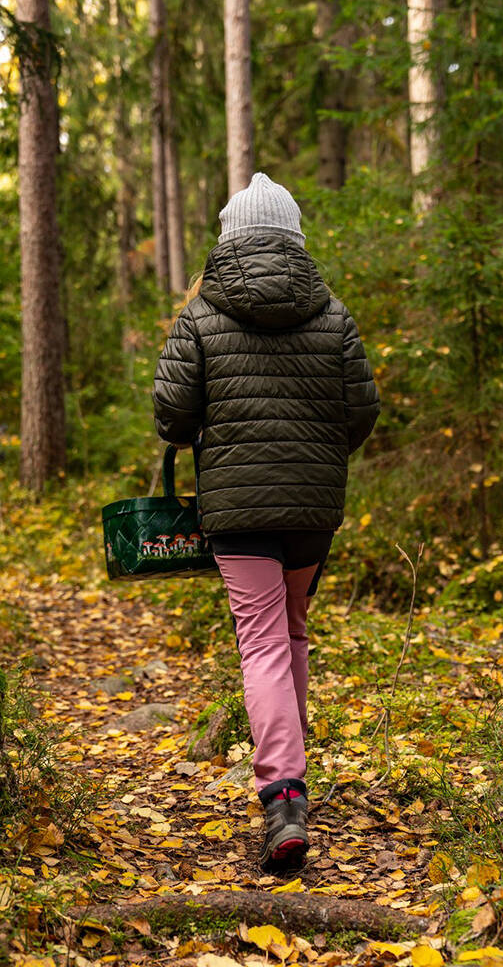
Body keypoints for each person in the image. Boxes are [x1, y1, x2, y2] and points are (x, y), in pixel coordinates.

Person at [152, 173, 380, 873]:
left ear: (229, 239)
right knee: (293, 630)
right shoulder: (334, 314)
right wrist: (314, 456)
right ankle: (293, 773)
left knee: (261, 644)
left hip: (240, 510)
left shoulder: (200, 316)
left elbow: (171, 415)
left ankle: (283, 793)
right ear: (295, 238)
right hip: (312, 512)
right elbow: (363, 412)